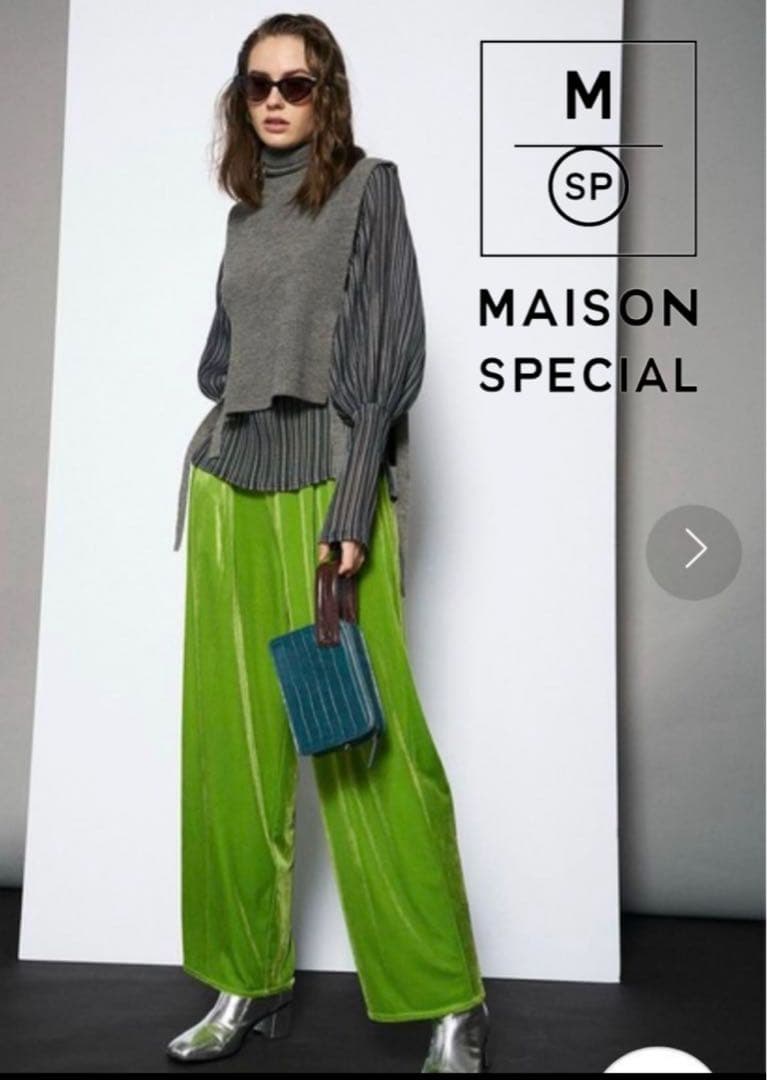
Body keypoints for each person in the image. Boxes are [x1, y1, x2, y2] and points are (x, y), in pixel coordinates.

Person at [166, 13, 491, 1074]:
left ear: (327, 95)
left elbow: (389, 359)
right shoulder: (243, 214)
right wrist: (232, 401)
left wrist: (352, 506)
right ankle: (244, 980)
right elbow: (221, 360)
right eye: (257, 84)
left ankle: (448, 1000)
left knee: (364, 746)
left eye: (296, 85)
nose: (274, 100)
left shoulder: (367, 190)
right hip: (231, 485)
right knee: (231, 750)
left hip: (324, 488)